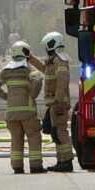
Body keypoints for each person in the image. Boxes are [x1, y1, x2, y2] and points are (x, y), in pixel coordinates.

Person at [0, 40, 45, 173]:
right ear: (26, 54)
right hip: (28, 113)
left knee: (16, 140)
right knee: (34, 138)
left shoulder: (6, 71)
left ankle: (17, 166)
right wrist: (33, 95)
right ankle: (36, 165)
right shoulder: (28, 69)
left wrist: (6, 96)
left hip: (11, 114)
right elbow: (37, 80)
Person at [36, 32, 75, 172]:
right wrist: (30, 58)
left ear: (51, 45)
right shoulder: (54, 61)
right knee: (55, 132)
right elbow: (43, 68)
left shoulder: (60, 60)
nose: (45, 49)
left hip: (59, 104)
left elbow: (62, 81)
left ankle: (66, 161)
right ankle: (61, 160)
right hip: (54, 104)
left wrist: (58, 100)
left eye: (46, 46)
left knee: (61, 132)